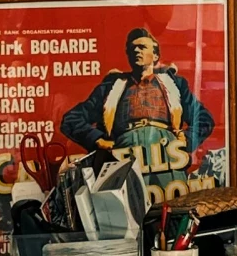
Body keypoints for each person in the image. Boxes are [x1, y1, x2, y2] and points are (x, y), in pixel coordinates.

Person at [60, 27, 215, 163]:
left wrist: (186, 139)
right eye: (132, 49)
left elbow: (204, 119)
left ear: (155, 56)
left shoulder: (175, 84)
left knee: (172, 195)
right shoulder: (111, 87)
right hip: (122, 154)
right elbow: (72, 119)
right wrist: (97, 140)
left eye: (142, 47)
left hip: (166, 153)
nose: (136, 51)